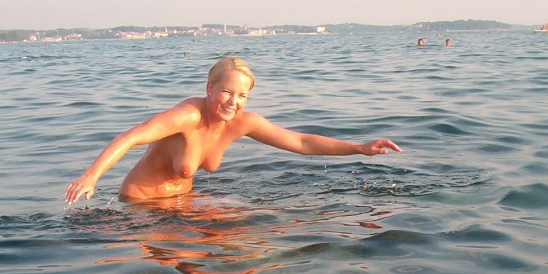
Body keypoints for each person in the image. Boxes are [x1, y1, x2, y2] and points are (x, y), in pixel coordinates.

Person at [64, 56, 401, 204]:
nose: (233, 102)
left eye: (242, 95)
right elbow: (133, 136)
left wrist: (359, 147)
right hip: (141, 207)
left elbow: (300, 142)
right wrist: (91, 177)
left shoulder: (243, 122)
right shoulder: (188, 116)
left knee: (257, 223)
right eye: (226, 91)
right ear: (210, 87)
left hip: (183, 204)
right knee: (197, 259)